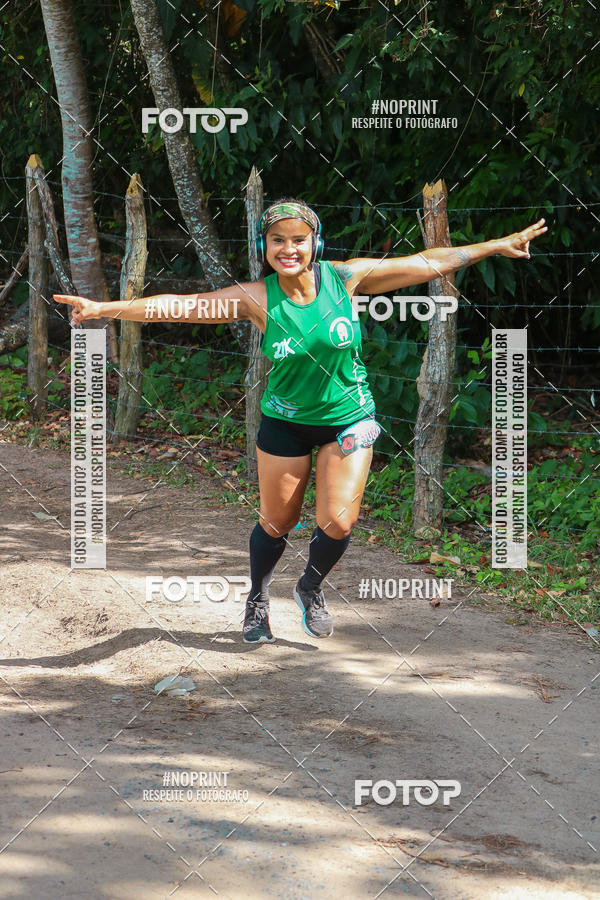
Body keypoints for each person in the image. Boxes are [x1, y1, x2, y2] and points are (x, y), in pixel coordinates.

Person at [55, 199, 547, 644]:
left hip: (348, 418)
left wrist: (496, 245)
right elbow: (180, 307)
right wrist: (105, 308)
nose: (288, 249)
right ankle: (256, 599)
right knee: (277, 521)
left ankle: (310, 587)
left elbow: (425, 263)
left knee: (338, 519)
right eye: (277, 240)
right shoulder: (256, 298)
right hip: (285, 423)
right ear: (263, 246)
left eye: (298, 239)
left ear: (315, 243)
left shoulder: (345, 277)